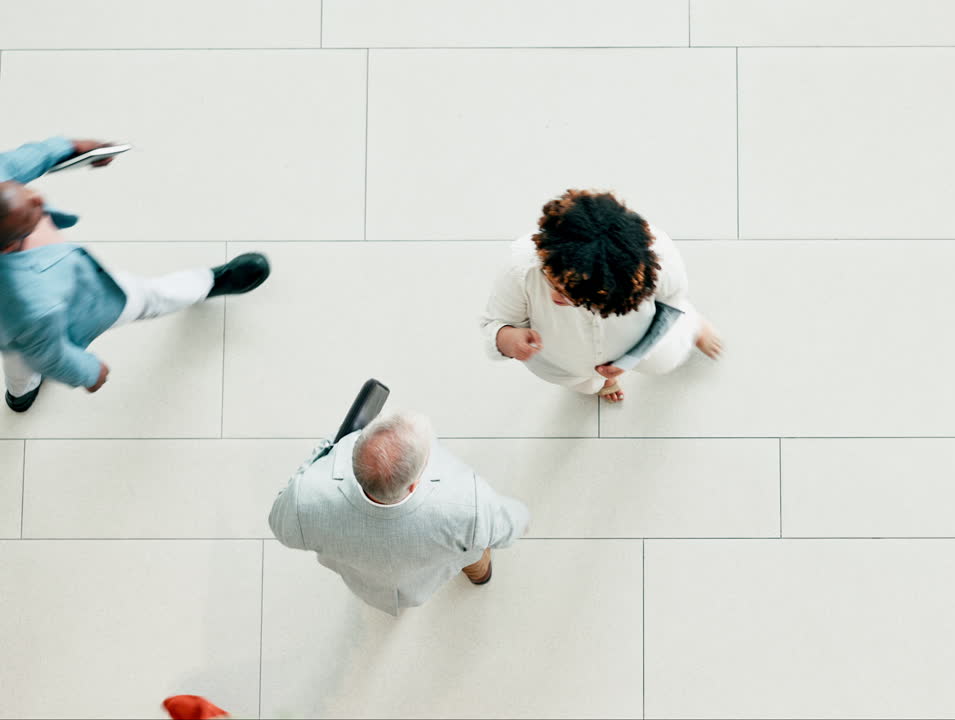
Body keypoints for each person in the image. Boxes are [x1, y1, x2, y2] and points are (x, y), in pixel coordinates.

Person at [0, 136, 269, 412]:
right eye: (30, 210)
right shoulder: (29, 304)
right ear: (9, 246)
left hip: (17, 332)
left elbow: (19, 161)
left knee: (17, 361)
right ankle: (209, 283)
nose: (38, 197)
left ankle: (19, 394)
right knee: (149, 298)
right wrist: (89, 373)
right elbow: (51, 356)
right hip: (83, 307)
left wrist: (70, 147)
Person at [268, 412, 530, 616]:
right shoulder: (467, 503)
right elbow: (510, 526)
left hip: (368, 584)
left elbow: (280, 526)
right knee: (476, 548)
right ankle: (479, 574)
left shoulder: (307, 498)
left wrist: (325, 449)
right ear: (414, 484)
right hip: (438, 568)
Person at [480, 189, 722, 403]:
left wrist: (631, 358)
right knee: (575, 380)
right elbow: (494, 322)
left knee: (664, 359)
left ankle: (693, 327)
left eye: (573, 298)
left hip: (640, 340)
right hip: (561, 357)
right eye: (552, 282)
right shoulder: (521, 268)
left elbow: (671, 304)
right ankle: (598, 383)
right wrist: (506, 338)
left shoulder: (659, 260)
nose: (554, 298)